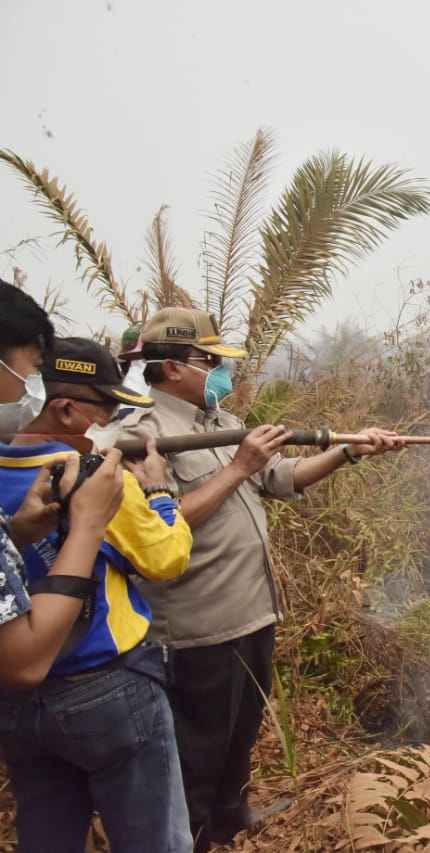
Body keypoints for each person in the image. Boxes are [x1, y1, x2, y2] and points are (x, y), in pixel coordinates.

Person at [119, 306, 403, 851]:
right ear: (173, 368)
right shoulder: (143, 436)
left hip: (251, 613)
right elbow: (160, 525)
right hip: (199, 628)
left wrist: (348, 451)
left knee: (239, 733)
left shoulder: (222, 423)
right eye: (212, 363)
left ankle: (232, 814)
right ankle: (193, 835)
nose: (224, 374)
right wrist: (236, 469)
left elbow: (278, 478)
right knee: (197, 748)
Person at [0, 334, 195, 853]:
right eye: (105, 408)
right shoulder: (97, 477)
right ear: (64, 408)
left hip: (16, 703)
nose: (112, 420)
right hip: (105, 688)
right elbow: (166, 559)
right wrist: (158, 491)